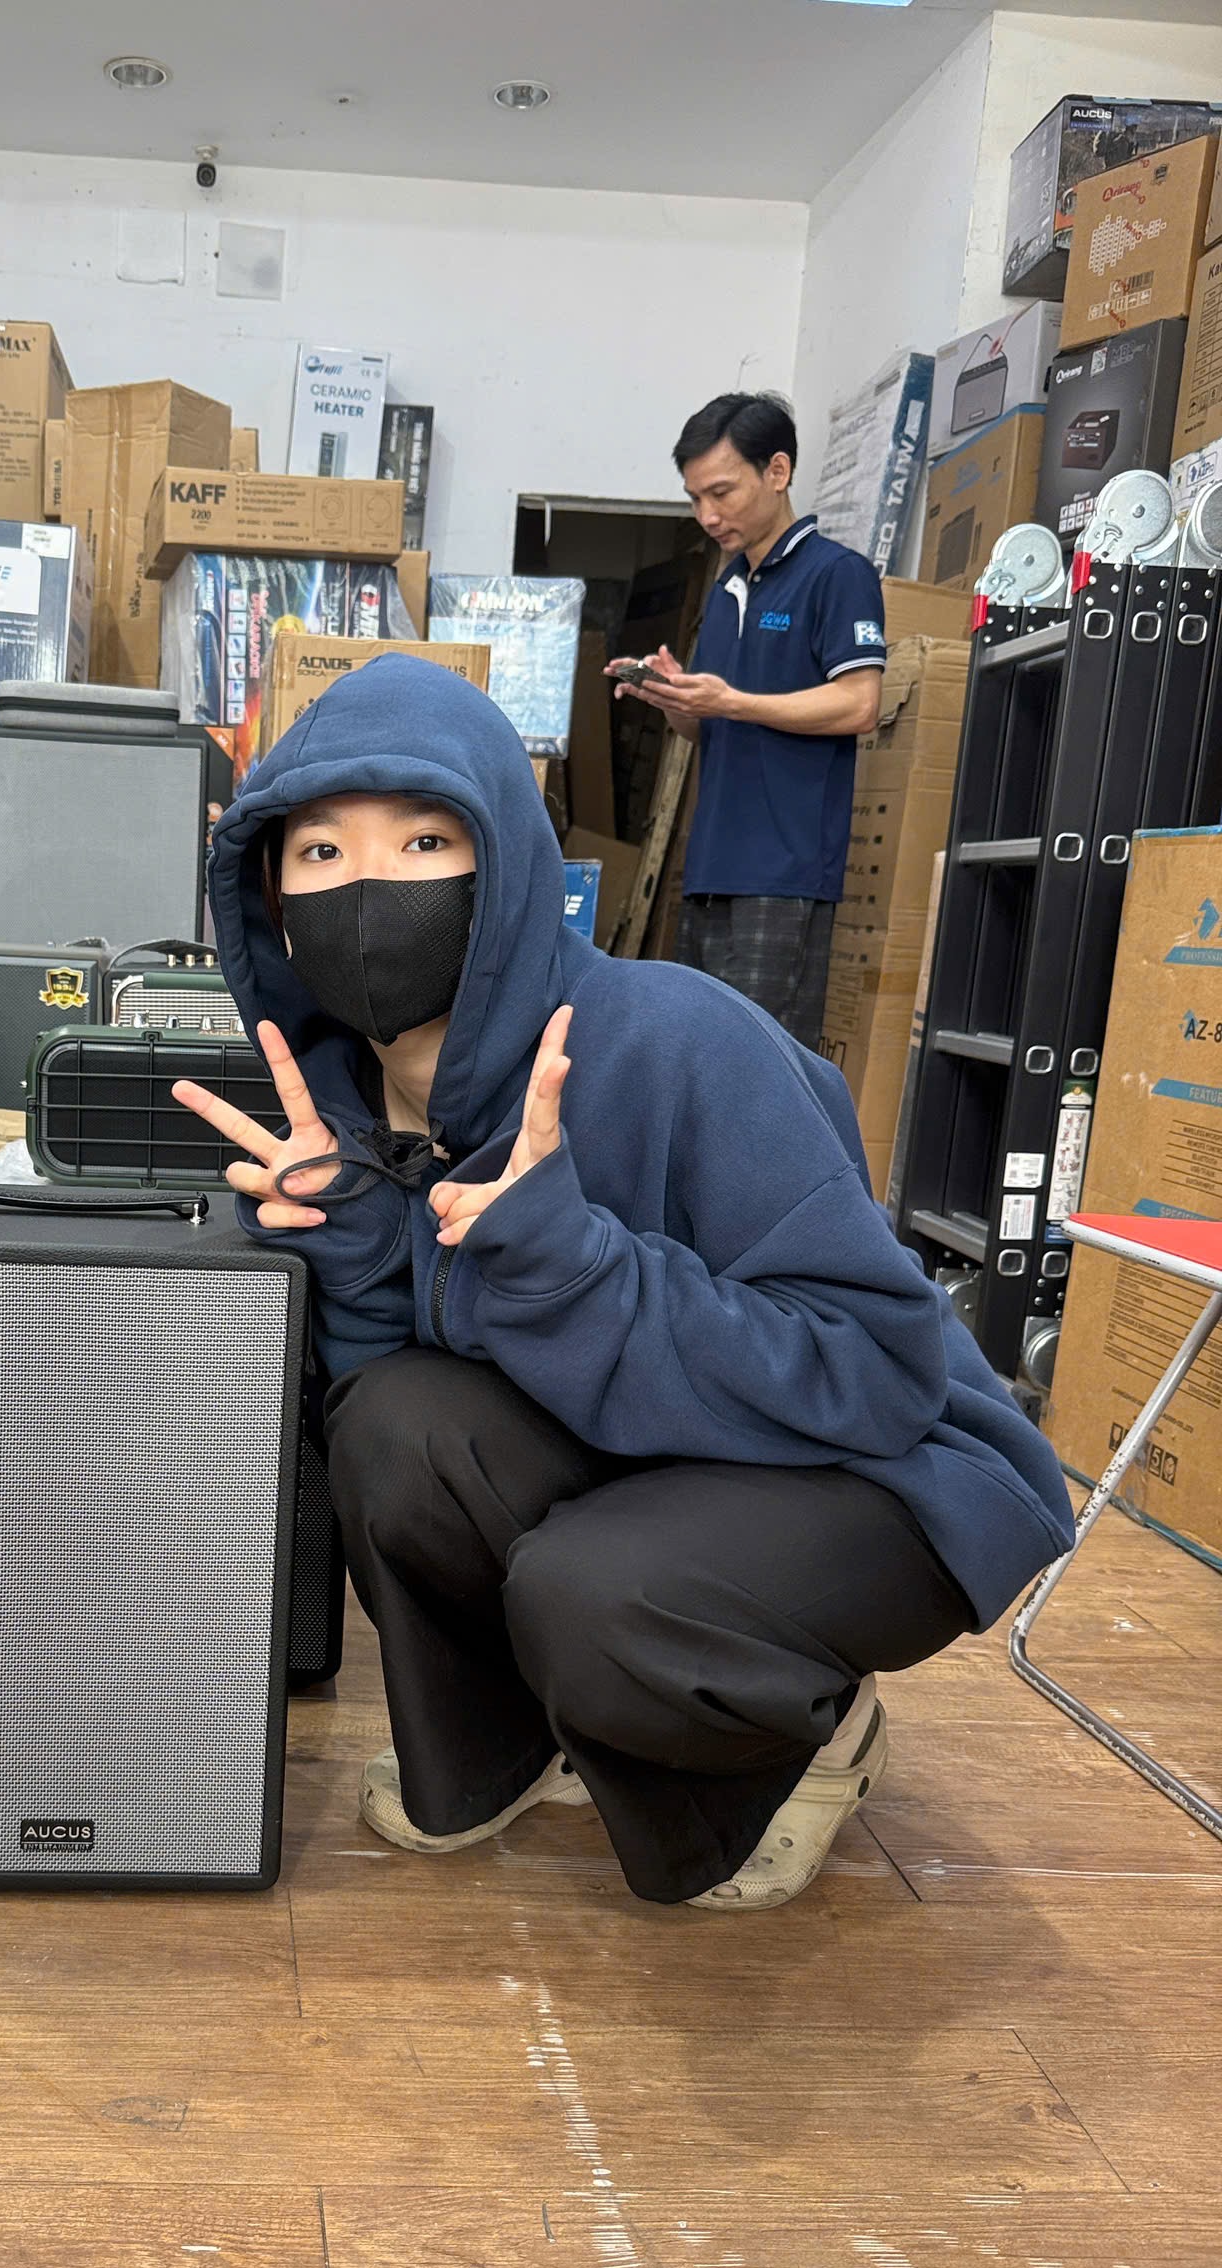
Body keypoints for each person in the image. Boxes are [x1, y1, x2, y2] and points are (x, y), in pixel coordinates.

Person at [173, 655, 1072, 1910]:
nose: (369, 888)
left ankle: (805, 1740)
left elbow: (876, 1371)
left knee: (596, 1595)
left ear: (505, 864)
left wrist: (576, 1266)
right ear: (269, 892)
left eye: (425, 840)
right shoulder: (341, 1101)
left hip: (881, 1470)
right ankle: (503, 1752)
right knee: (390, 1431)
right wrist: (362, 1245)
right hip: (651, 1445)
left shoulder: (677, 1037)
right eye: (320, 851)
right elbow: (399, 1389)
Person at [620, 391, 885, 1054]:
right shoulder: (727, 589)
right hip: (711, 871)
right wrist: (673, 698)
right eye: (695, 499)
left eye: (721, 492)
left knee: (762, 1068)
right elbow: (706, 727)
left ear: (778, 471)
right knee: (705, 1060)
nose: (707, 516)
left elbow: (859, 703)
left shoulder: (836, 575)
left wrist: (731, 701)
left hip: (783, 875)